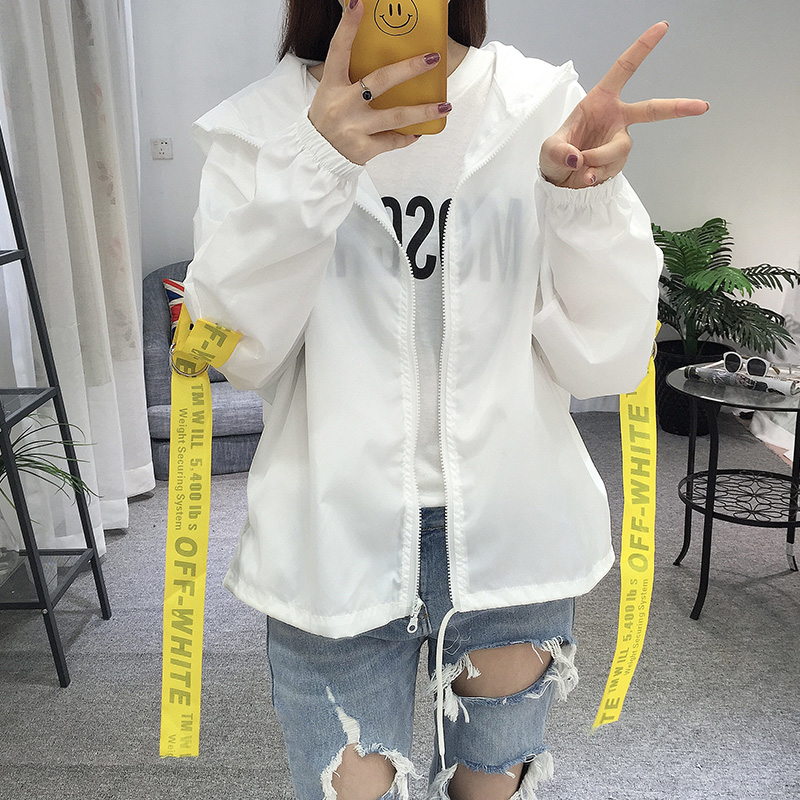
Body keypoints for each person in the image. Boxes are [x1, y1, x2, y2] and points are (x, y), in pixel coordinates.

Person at [182, 1, 708, 798]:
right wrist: (315, 163)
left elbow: (607, 356)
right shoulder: (257, 129)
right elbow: (231, 351)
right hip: (331, 540)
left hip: (513, 535)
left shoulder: (539, 107)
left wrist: (582, 203)